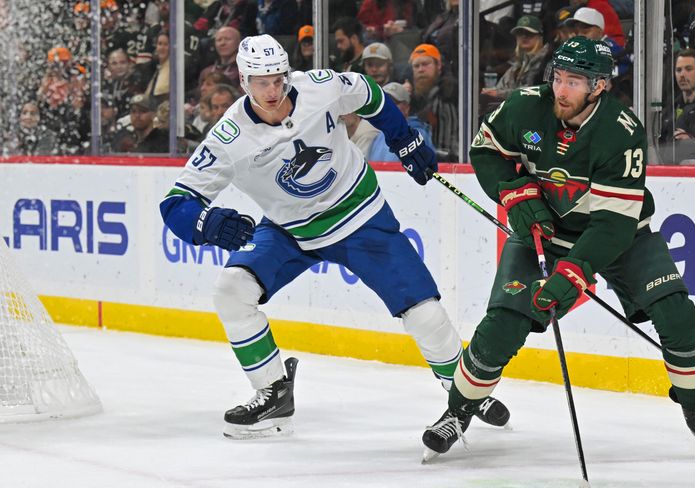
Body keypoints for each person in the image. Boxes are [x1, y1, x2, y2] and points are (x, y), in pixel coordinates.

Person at [159, 34, 511, 439]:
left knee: (424, 312)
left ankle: (464, 392)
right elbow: (175, 203)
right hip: (290, 230)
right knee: (231, 290)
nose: (272, 91)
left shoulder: (319, 87)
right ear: (243, 81)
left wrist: (402, 137)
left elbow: (369, 94)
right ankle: (273, 392)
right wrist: (208, 225)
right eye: (261, 82)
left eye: (278, 79)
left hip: (360, 216)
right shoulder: (229, 138)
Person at [421, 36, 695, 461]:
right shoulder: (524, 106)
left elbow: (612, 226)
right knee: (502, 324)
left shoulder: (620, 132)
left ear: (599, 86)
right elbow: (486, 150)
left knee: (678, 316)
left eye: (573, 81)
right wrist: (514, 192)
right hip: (546, 231)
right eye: (558, 77)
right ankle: (458, 412)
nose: (561, 89)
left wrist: (574, 272)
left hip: (622, 236)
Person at [407, 43, 458, 162]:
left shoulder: (448, 94)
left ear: (438, 65)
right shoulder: (412, 96)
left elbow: (445, 146)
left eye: (425, 64)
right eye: (416, 66)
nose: (421, 69)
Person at [481, 15, 550, 101]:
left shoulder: (546, 61)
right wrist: (492, 91)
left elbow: (532, 91)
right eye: (520, 33)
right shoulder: (520, 61)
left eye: (529, 33)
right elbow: (502, 85)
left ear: (540, 36)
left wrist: (499, 93)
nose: (524, 36)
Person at [368, 82, 434, 161]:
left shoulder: (419, 135)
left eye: (393, 103)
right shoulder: (379, 136)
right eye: (383, 103)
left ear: (407, 108)